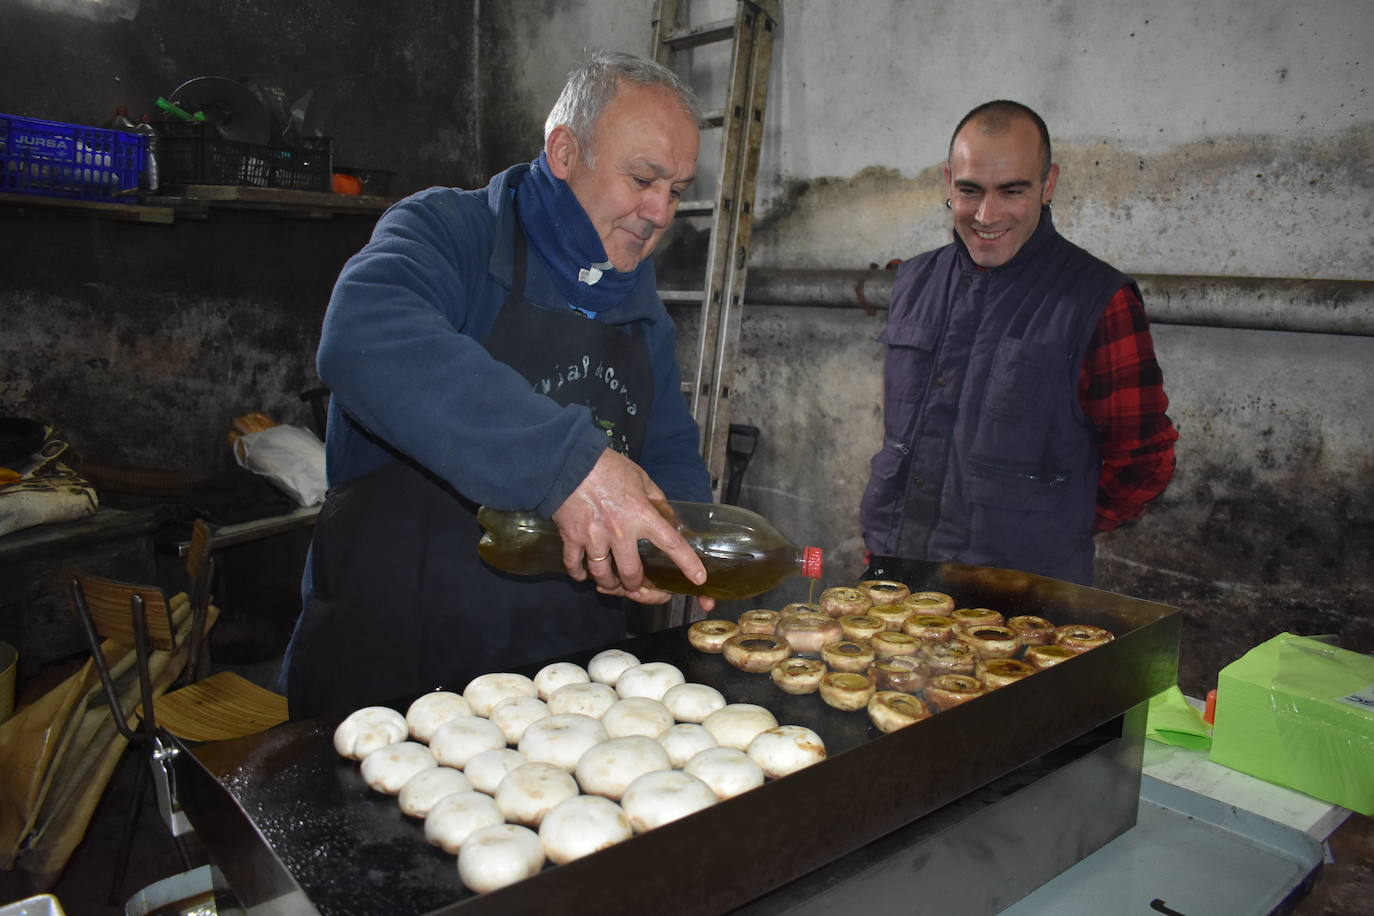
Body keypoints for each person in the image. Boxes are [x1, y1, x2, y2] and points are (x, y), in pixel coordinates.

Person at [280, 51, 715, 719]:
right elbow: (365, 335)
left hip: (564, 685)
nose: (660, 211)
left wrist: (675, 540)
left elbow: (666, 450)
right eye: (643, 179)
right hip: (393, 679)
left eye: (677, 190)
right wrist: (569, 466)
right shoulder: (449, 233)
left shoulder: (640, 309)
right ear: (565, 152)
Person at [861, 100, 1178, 585]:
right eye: (970, 191)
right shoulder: (914, 281)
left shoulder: (1095, 299)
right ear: (948, 181)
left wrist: (1052, 525)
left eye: (1012, 191)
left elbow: (1144, 462)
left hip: (1021, 601)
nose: (987, 215)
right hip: (900, 576)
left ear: (1047, 184)